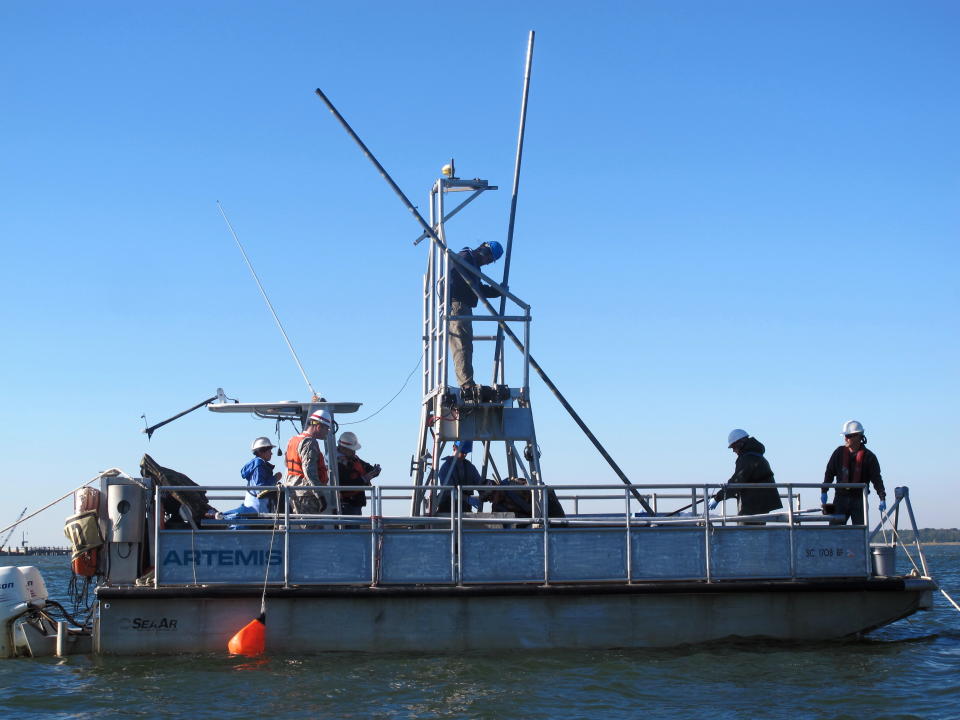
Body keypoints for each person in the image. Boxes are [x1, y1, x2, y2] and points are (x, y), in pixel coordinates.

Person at [447, 241, 504, 390]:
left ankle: (467, 381)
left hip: (463, 306)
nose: (488, 262)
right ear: (484, 250)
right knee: (462, 344)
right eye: (489, 258)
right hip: (456, 305)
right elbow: (454, 281)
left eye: (491, 261)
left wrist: (497, 290)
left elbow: (478, 289)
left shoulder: (473, 264)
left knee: (466, 344)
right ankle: (466, 384)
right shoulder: (464, 258)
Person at [711, 429, 783, 524]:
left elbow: (737, 481)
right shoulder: (754, 455)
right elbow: (738, 479)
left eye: (733, 446)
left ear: (740, 443)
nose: (733, 450)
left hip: (754, 503)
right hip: (759, 501)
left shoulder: (748, 458)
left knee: (746, 529)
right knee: (756, 531)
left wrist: (718, 498)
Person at [823, 420, 886, 526]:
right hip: (840, 499)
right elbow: (829, 472)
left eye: (848, 436)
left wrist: (882, 497)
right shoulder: (838, 453)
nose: (845, 438)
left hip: (859, 500)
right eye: (845, 436)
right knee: (833, 530)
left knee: (860, 531)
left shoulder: (869, 457)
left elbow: (877, 479)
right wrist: (824, 491)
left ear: (858, 437)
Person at [284, 409, 332, 515]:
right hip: (306, 495)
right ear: (319, 427)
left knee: (301, 527)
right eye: (327, 429)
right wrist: (320, 495)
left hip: (292, 491)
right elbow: (309, 471)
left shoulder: (293, 440)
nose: (327, 432)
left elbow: (286, 464)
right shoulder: (309, 442)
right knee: (310, 528)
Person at [335, 431, 381, 516]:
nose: (354, 452)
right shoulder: (335, 463)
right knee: (350, 528)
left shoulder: (353, 459)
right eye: (352, 450)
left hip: (355, 503)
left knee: (355, 528)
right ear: (344, 448)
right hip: (346, 505)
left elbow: (368, 468)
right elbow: (344, 484)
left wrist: (375, 471)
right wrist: (364, 479)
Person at [433, 440, 484, 514]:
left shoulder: (470, 467)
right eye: (462, 452)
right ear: (454, 448)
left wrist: (489, 486)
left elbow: (480, 484)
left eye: (466, 452)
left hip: (465, 509)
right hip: (447, 509)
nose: (464, 455)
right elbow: (449, 491)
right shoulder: (446, 467)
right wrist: (467, 499)